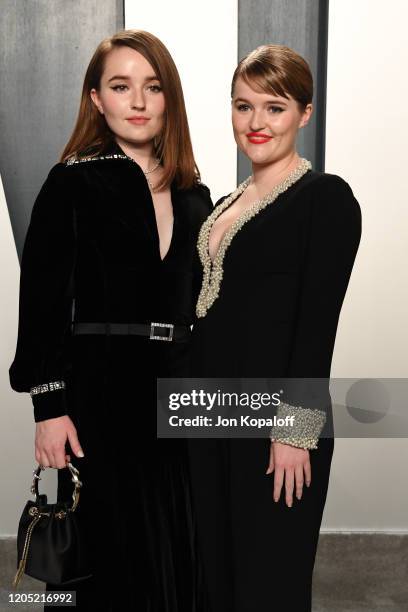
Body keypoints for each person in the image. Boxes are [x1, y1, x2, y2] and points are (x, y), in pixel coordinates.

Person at [9, 29, 213, 611]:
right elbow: (42, 307)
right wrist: (49, 407)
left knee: (175, 555)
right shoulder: (71, 184)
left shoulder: (196, 195)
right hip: (98, 395)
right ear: (97, 99)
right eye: (121, 87)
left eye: (153, 87)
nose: (139, 101)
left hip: (179, 395)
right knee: (105, 563)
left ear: (169, 98)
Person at [188, 44, 362, 612]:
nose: (256, 123)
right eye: (243, 107)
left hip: (275, 424)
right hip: (206, 415)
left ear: (304, 114)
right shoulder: (224, 202)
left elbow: (318, 326)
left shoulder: (326, 200)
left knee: (269, 585)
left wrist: (294, 431)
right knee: (213, 581)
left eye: (275, 107)